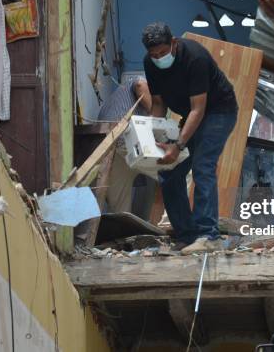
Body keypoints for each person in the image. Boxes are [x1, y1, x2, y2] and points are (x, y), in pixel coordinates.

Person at [141, 22, 238, 254]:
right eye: (154, 55)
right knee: (169, 171)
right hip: (193, 114)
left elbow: (198, 109)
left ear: (173, 43)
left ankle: (209, 236)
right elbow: (158, 103)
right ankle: (187, 236)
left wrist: (178, 144)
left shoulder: (195, 57)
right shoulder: (150, 64)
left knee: (203, 165)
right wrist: (153, 136)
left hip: (218, 111)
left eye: (163, 52)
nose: (158, 58)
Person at [97, 75, 152, 213]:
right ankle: (164, 220)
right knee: (175, 169)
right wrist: (153, 110)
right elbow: (140, 85)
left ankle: (123, 228)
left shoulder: (116, 96)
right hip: (123, 141)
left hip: (108, 147)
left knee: (119, 204)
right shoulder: (138, 81)